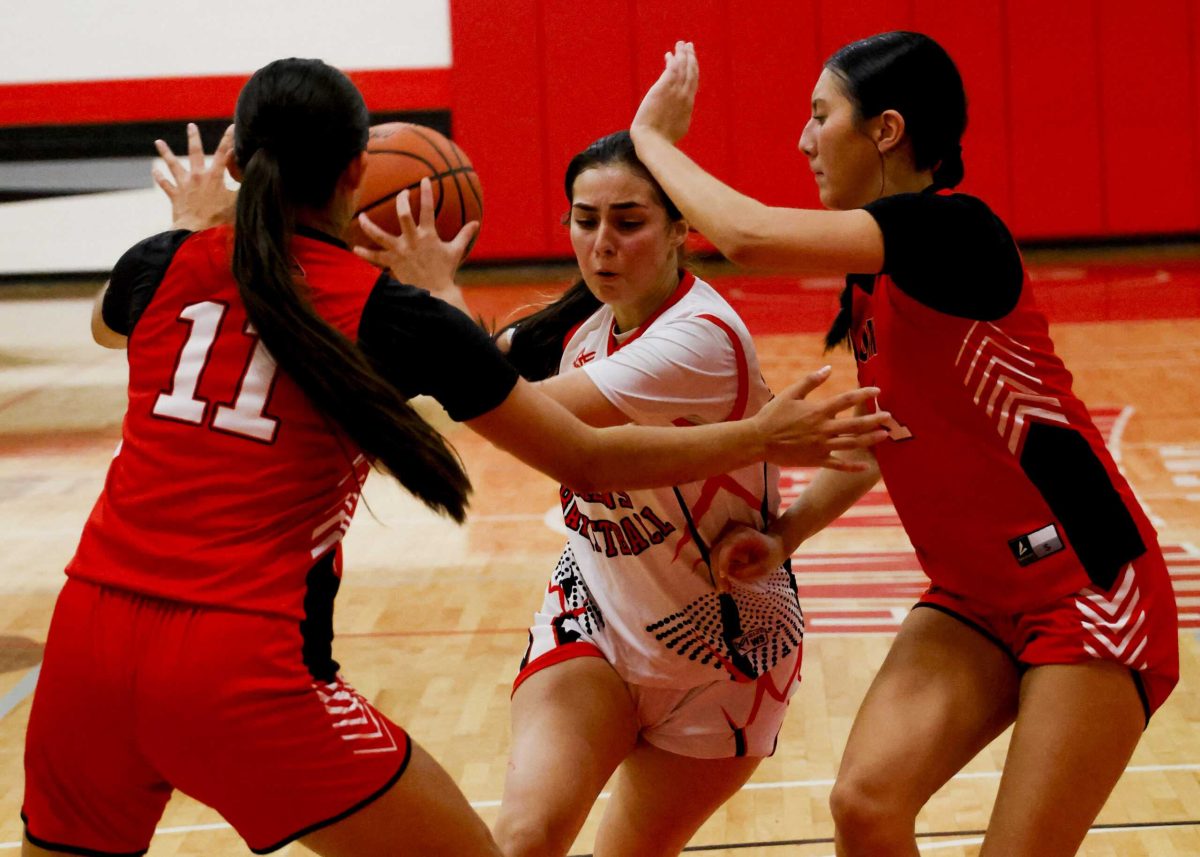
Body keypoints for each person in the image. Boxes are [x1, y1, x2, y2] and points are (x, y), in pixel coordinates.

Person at [20, 58, 890, 857]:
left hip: (87, 636)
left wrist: (189, 229)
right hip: (237, 658)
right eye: (587, 220)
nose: (601, 242)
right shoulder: (391, 316)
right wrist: (758, 437)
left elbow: (109, 321)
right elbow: (580, 454)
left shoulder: (158, 265)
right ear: (358, 169)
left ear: (241, 158)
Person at [629, 34, 1180, 857]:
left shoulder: (952, 231)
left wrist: (650, 141)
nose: (804, 141)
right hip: (972, 594)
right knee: (864, 804)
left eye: (821, 117)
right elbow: (885, 435)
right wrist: (788, 532)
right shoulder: (872, 275)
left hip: (1088, 587)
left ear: (886, 130)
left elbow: (747, 237)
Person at [393, 129, 832, 857]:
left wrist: (433, 300)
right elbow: (486, 377)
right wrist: (434, 297)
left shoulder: (701, 338)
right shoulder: (577, 326)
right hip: (592, 614)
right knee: (524, 838)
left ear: (681, 231)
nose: (602, 243)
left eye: (628, 222)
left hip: (727, 651)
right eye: (584, 219)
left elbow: (523, 413)